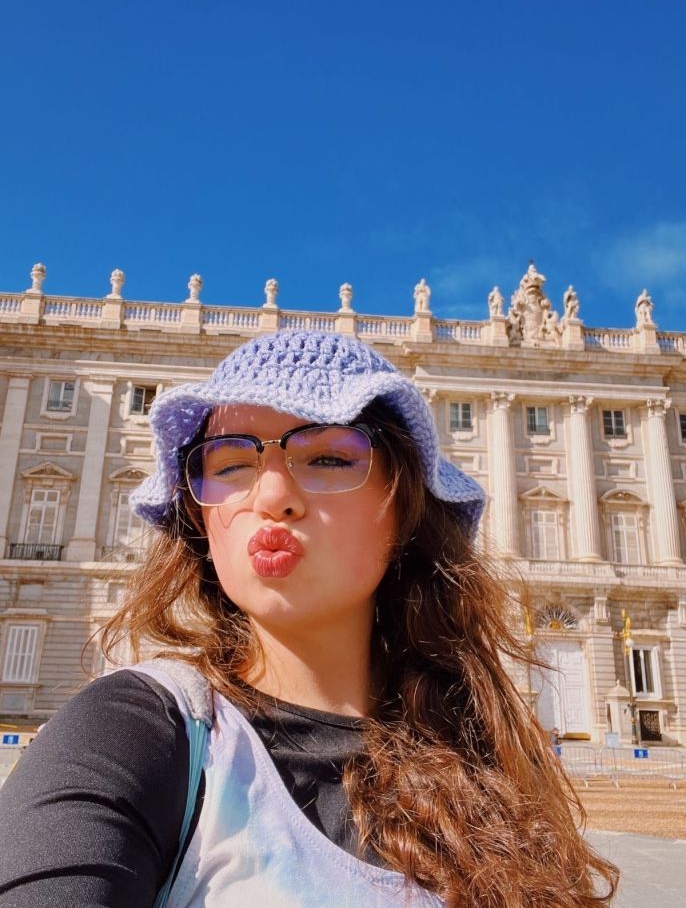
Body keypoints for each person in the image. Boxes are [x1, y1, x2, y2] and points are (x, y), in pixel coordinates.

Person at [0, 329, 617, 906]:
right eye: (230, 464)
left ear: (404, 507)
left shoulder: (492, 764)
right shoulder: (138, 735)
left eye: (326, 458)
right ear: (199, 521)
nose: (270, 496)